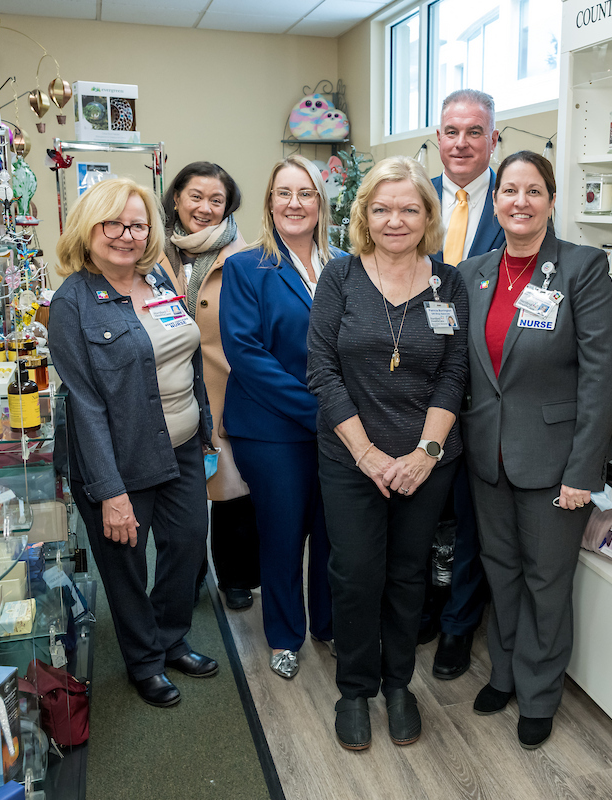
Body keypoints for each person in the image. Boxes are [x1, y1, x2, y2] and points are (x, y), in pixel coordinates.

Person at [458, 151, 612, 749]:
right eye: (509, 190)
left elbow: (604, 377)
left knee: (546, 581)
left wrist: (584, 468)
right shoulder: (473, 273)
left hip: (556, 463)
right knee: (500, 573)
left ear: (552, 201)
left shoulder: (581, 268)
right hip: (488, 457)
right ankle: (504, 671)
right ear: (494, 201)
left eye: (533, 191)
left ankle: (538, 691)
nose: (520, 202)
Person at [307, 156, 469, 752]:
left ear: (427, 216)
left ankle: (398, 684)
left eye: (408, 209)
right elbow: (321, 371)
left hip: (426, 460)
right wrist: (368, 455)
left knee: (408, 574)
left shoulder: (448, 283)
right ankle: (354, 690)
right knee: (355, 575)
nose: (394, 220)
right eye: (381, 209)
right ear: (364, 215)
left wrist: (426, 453)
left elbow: (455, 374)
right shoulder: (341, 276)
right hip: (351, 457)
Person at [49, 177, 219, 709]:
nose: (127, 235)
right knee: (125, 565)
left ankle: (171, 639)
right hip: (118, 460)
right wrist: (110, 492)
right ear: (88, 228)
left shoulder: (158, 279)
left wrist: (204, 430)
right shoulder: (72, 302)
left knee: (187, 545)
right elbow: (85, 403)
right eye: (114, 224)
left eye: (138, 225)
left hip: (182, 445)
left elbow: (186, 358)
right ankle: (145, 661)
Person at [220, 155, 342, 680]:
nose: (295, 203)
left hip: (339, 428)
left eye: (305, 193)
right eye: (284, 193)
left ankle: (329, 627)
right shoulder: (246, 267)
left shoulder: (345, 265)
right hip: (272, 427)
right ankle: (285, 635)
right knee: (284, 534)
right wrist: (322, 411)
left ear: (321, 203)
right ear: (270, 202)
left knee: (334, 534)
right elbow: (246, 354)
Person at [422, 88, 506, 681]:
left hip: (483, 387)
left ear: (493, 140)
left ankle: (458, 623)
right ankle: (426, 605)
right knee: (425, 507)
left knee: (473, 514)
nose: (461, 143)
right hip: (417, 381)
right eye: (451, 131)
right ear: (437, 138)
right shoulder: (413, 196)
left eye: (474, 131)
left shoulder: (514, 200)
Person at [161, 162, 259, 611]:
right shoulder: (152, 251)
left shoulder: (246, 256)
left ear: (228, 206)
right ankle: (189, 571)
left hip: (224, 386)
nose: (204, 208)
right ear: (177, 198)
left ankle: (236, 576)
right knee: (179, 491)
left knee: (231, 487)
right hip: (167, 388)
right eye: (196, 197)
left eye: (216, 200)